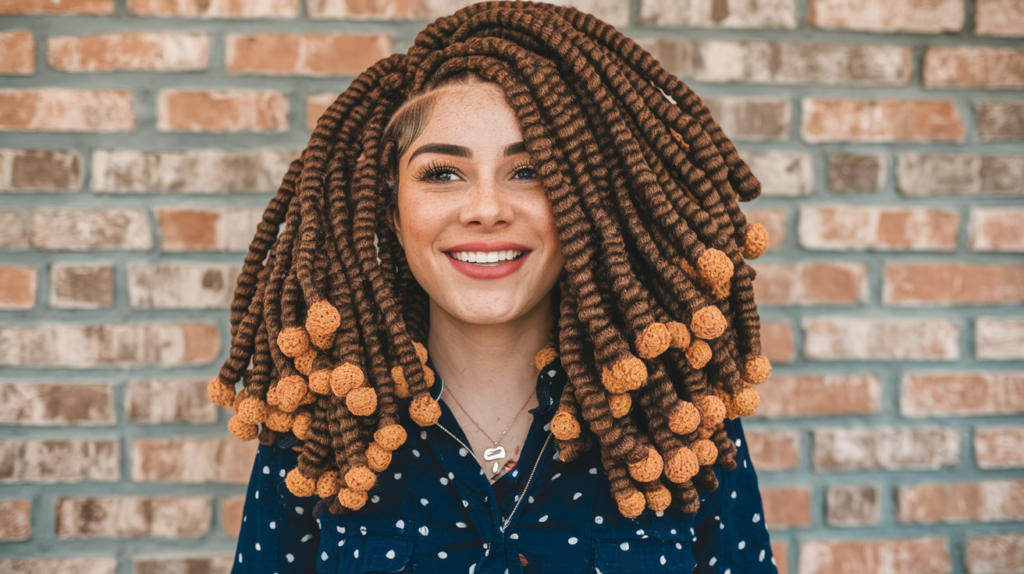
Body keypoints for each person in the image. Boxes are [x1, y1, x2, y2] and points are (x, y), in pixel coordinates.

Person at [208, 2, 778, 572]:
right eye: (442, 174)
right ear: (390, 206)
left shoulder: (678, 423)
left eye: (529, 171)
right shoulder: (325, 430)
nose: (486, 209)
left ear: (592, 201)